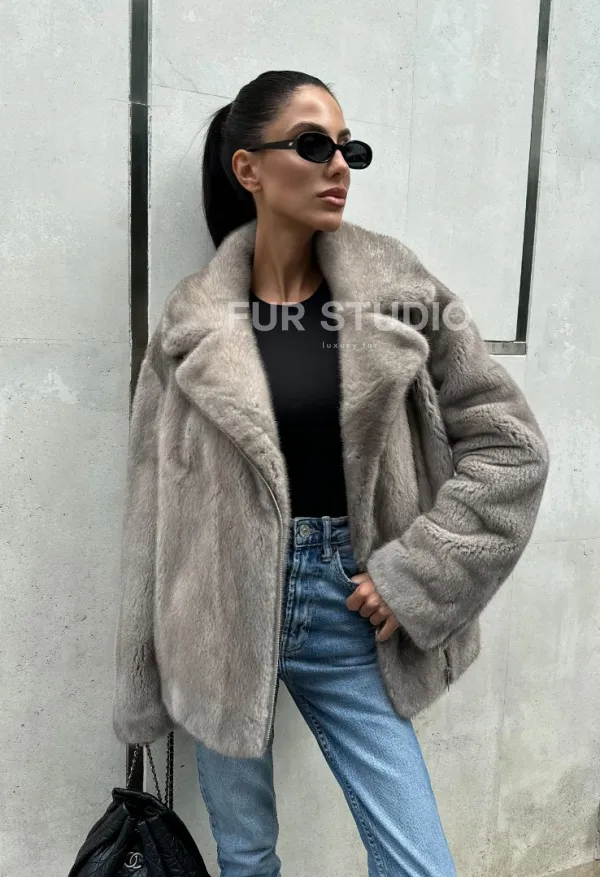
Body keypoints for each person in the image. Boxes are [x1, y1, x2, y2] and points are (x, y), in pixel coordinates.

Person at [112, 70, 550, 876]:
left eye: (349, 148)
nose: (339, 165)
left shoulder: (402, 291)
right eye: (313, 145)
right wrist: (143, 672)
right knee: (246, 857)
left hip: (345, 598)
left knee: (419, 862)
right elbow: (153, 501)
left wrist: (418, 571)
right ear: (248, 168)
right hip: (215, 609)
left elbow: (511, 445)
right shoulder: (191, 317)